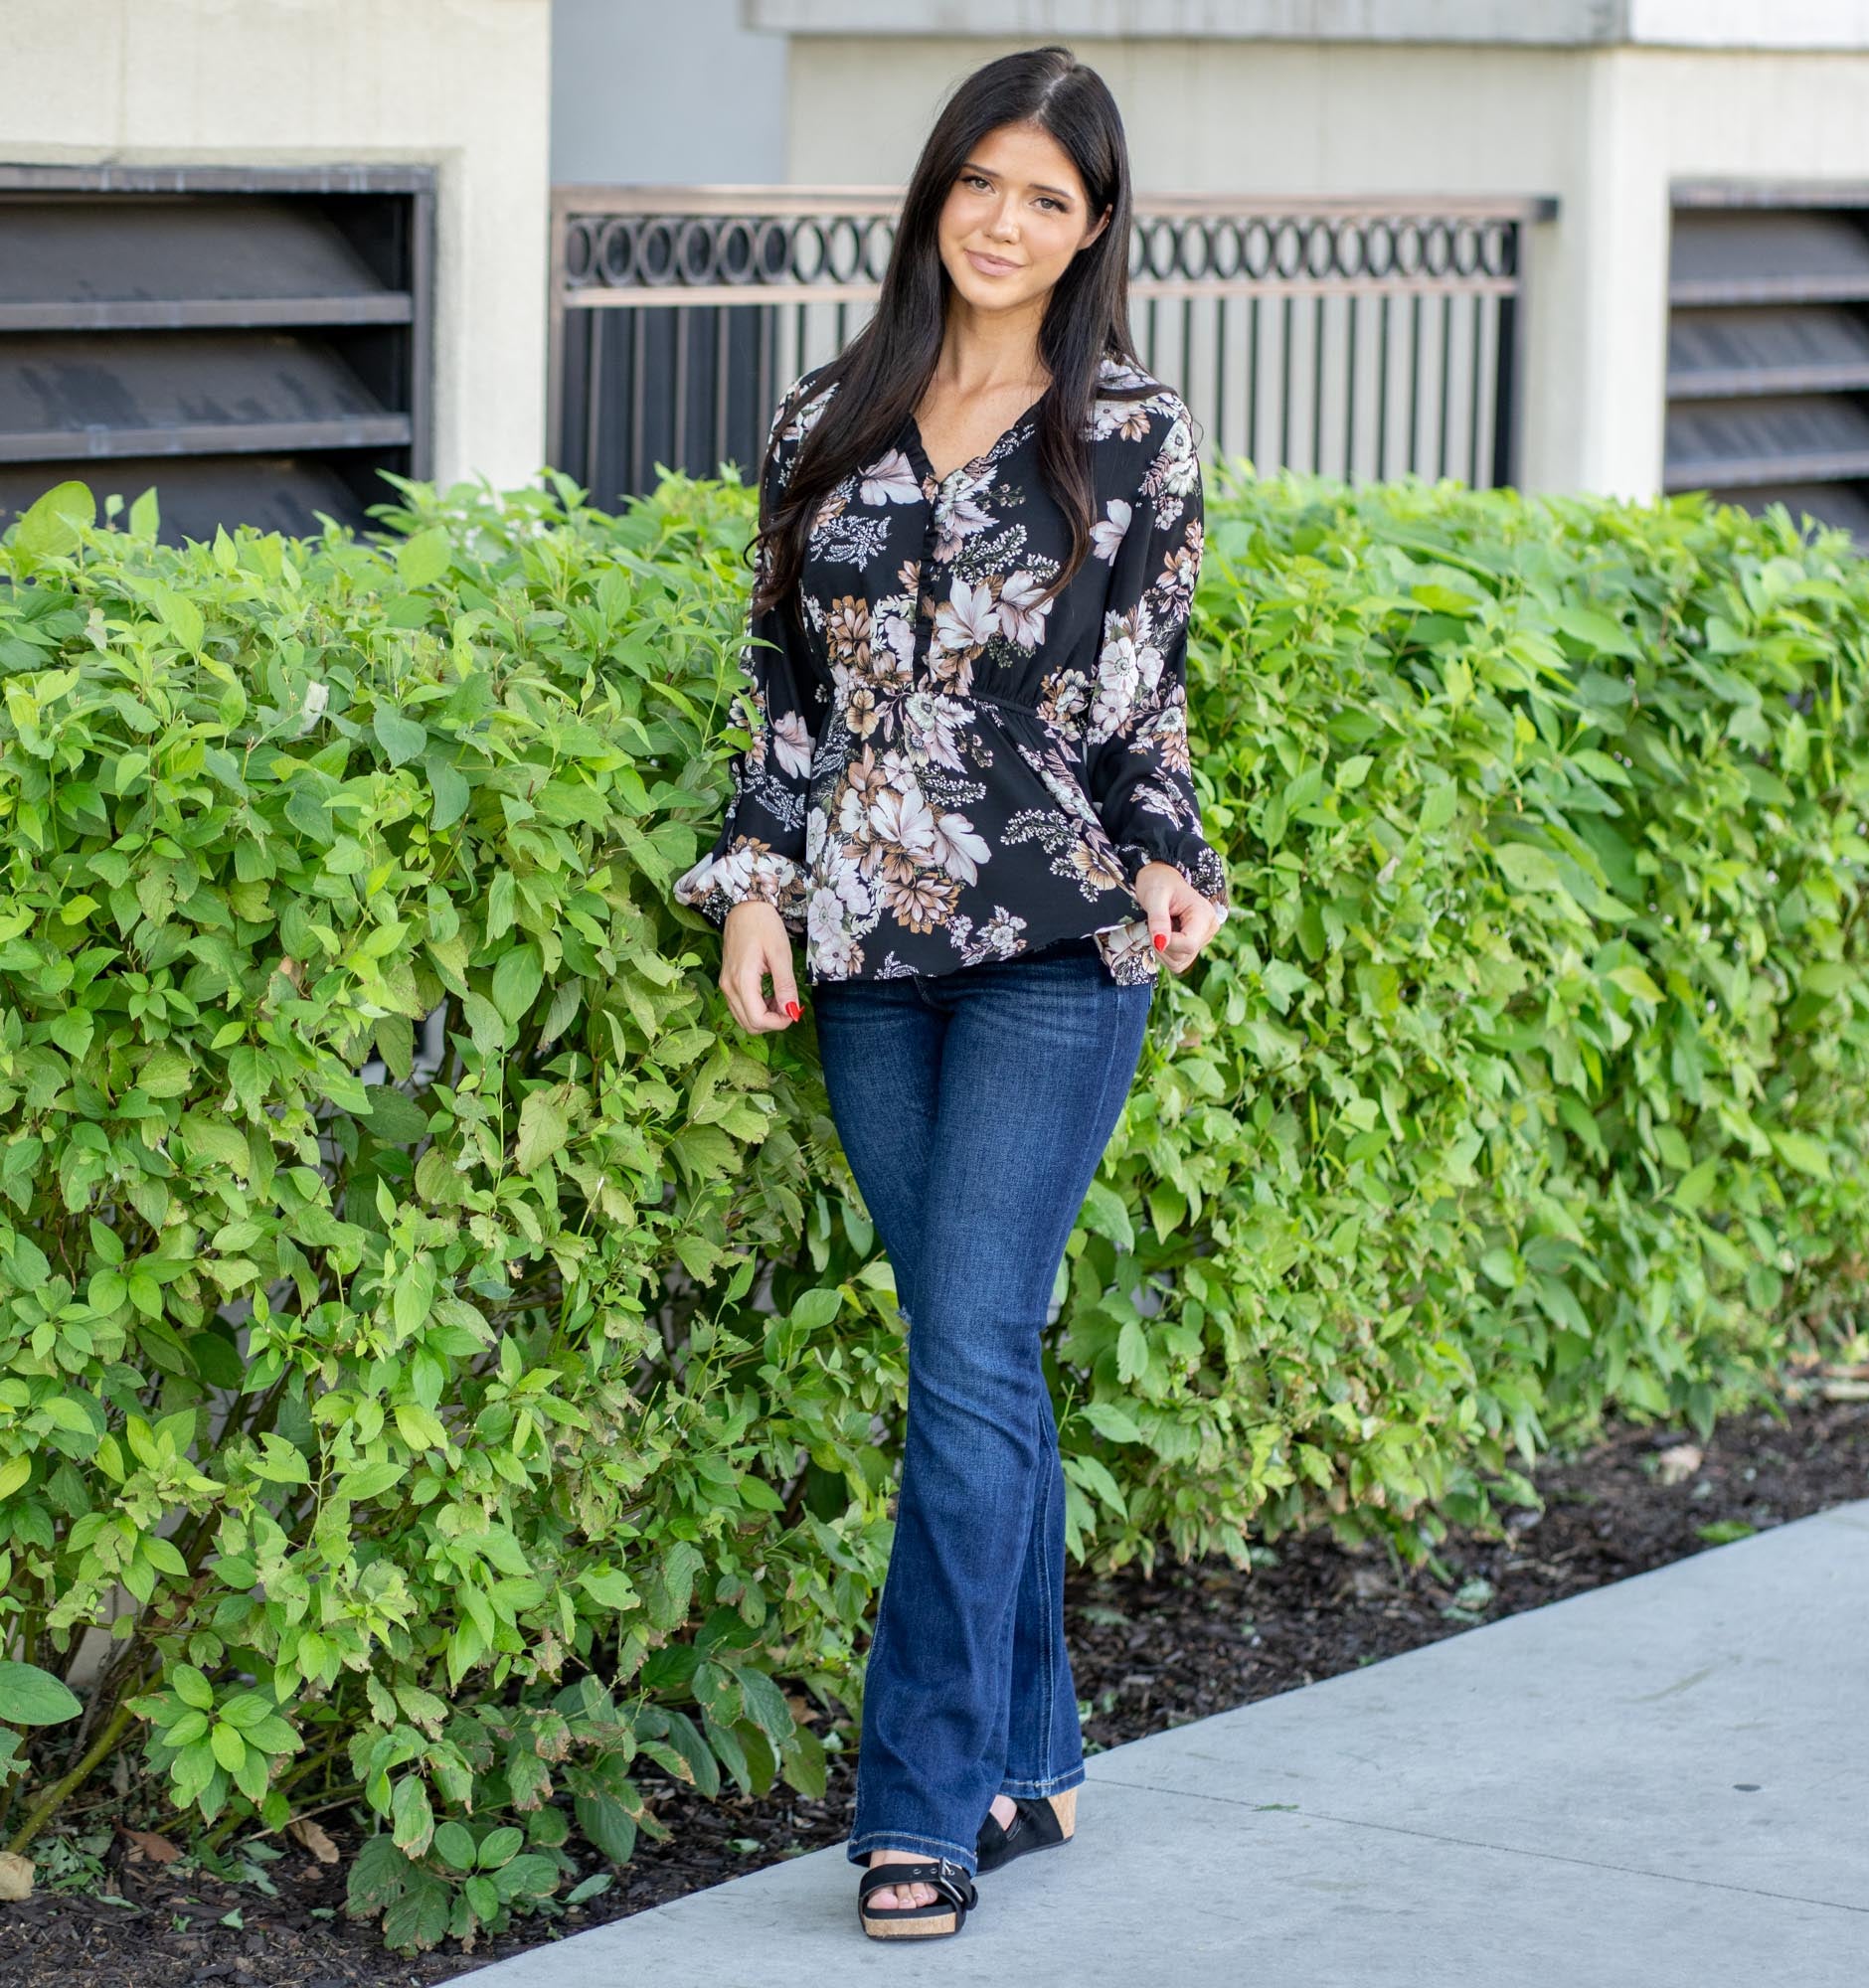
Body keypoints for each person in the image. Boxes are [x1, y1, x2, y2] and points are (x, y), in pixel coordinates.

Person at [671, 42, 1230, 1941]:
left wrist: (1173, 860)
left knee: (969, 1351)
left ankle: (919, 1807)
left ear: (1092, 231)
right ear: (935, 194)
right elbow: (780, 694)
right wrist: (755, 887)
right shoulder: (825, 417)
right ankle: (1035, 1752)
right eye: (980, 181)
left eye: (1044, 198)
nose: (1003, 220)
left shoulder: (1134, 433)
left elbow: (1144, 707)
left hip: (1056, 947)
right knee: (975, 1353)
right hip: (862, 952)